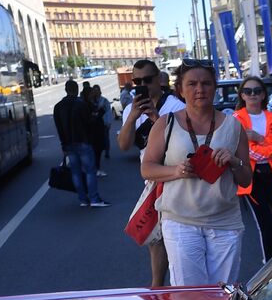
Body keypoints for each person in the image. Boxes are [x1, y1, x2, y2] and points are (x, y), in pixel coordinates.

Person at [141, 61, 253, 285]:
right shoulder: (167, 123)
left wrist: (233, 161)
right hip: (180, 221)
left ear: (214, 87)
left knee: (221, 296)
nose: (199, 89)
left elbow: (246, 179)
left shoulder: (233, 126)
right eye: (191, 84)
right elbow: (147, 168)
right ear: (180, 90)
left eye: (206, 83)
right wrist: (177, 170)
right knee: (189, 296)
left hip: (225, 223)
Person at [119, 59, 185, 287]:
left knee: (172, 235)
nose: (142, 85)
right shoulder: (131, 108)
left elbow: (181, 144)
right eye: (137, 81)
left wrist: (156, 118)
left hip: (175, 176)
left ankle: (174, 285)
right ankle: (158, 286)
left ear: (158, 79)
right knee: (154, 237)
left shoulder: (176, 107)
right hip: (151, 179)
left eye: (147, 80)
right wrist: (132, 117)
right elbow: (123, 145)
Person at [233, 75, 272, 258]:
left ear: (264, 94)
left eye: (257, 91)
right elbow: (248, 152)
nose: (252, 95)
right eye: (248, 91)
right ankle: (270, 264)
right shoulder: (236, 120)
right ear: (242, 95)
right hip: (252, 177)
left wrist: (259, 139)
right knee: (265, 223)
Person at [52, 79, 106, 208]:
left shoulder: (58, 106)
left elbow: (59, 127)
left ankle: (82, 199)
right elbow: (89, 123)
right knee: (90, 171)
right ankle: (94, 198)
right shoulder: (81, 104)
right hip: (83, 141)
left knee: (75, 172)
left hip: (69, 143)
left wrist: (63, 144)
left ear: (66, 90)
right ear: (76, 89)